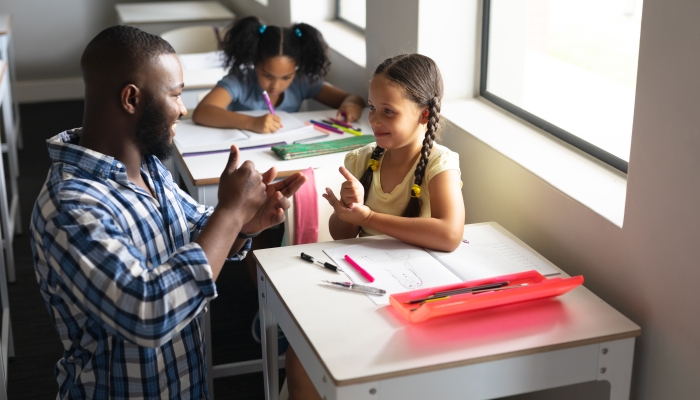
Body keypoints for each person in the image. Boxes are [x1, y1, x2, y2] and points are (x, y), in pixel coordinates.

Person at [29, 25, 305, 399]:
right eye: (175, 94)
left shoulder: (148, 165)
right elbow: (150, 313)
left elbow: (192, 231)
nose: (183, 108)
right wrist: (229, 212)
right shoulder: (71, 206)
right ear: (131, 99)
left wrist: (242, 223)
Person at [285, 54, 465, 399]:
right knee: (303, 352)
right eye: (372, 108)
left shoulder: (439, 164)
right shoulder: (362, 158)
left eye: (388, 111)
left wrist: (369, 217)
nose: (374, 120)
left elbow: (449, 234)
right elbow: (342, 234)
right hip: (364, 282)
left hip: (418, 292)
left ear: (424, 115)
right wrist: (350, 210)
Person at [191, 16, 365, 133]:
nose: (276, 85)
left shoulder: (302, 81)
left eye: (286, 77)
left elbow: (352, 98)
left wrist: (351, 105)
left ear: (296, 69)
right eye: (267, 75)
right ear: (255, 63)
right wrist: (252, 122)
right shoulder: (240, 80)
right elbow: (202, 112)